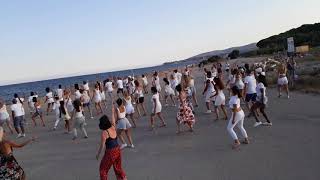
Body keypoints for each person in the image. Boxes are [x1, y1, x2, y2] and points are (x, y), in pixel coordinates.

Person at [96, 112, 127, 180]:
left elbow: (102, 146)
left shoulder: (105, 132)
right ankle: (123, 178)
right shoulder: (113, 126)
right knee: (118, 168)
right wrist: (112, 111)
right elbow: (113, 119)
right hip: (117, 150)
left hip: (110, 152)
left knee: (103, 169)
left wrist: (98, 155)